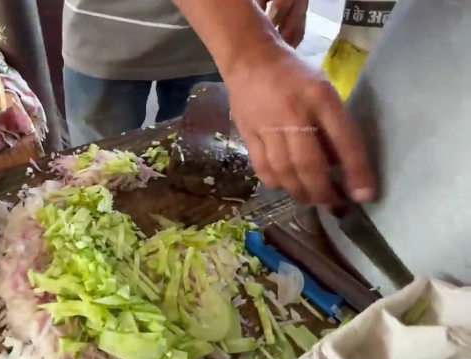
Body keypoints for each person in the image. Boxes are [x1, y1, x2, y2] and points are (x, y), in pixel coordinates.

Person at [62, 0, 376, 207]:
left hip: (210, 40)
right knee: (96, 175)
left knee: (196, 171)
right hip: (102, 27)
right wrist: (252, 49)